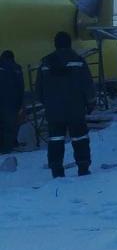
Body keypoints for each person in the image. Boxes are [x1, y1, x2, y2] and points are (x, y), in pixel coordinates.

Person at [35, 33, 95, 178]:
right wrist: (90, 102)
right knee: (80, 138)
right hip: (76, 109)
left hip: (54, 111)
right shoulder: (78, 61)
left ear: (55, 44)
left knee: (55, 140)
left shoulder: (45, 63)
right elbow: (87, 84)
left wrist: (48, 103)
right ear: (69, 44)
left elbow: (39, 89)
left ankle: (56, 170)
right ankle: (83, 167)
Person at [0, 50, 24, 154]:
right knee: (9, 126)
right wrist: (20, 103)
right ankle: (7, 147)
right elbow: (20, 86)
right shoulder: (16, 68)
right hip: (11, 101)